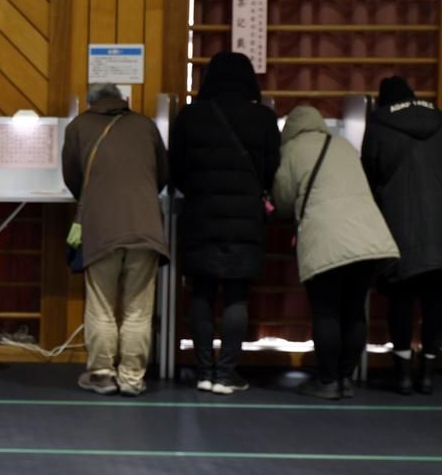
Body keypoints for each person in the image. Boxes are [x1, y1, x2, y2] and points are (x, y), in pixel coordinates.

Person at [169, 52, 281, 395]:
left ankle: (203, 371)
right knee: (236, 295)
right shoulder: (263, 117)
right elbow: (272, 170)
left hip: (201, 214)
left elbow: (175, 170)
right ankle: (227, 374)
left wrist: (200, 191)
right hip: (245, 219)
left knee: (201, 293)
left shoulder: (190, 116)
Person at [273, 106, 399, 399]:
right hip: (367, 238)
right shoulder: (342, 144)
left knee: (326, 310)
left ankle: (327, 381)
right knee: (354, 310)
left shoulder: (292, 149)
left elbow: (282, 200)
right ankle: (345, 379)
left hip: (326, 238)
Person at [62, 84, 169, 396]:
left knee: (101, 305)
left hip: (101, 228)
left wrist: (93, 196)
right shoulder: (145, 125)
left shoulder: (78, 126)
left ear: (90, 102)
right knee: (139, 308)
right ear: (123, 101)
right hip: (146, 227)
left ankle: (102, 375)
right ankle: (132, 379)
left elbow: (72, 176)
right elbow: (162, 173)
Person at [361, 76, 442, 395]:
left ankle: (403, 374)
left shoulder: (379, 125)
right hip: (439, 229)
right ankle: (427, 372)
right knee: (436, 302)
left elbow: (367, 176)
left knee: (402, 300)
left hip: (398, 226)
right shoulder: (439, 121)